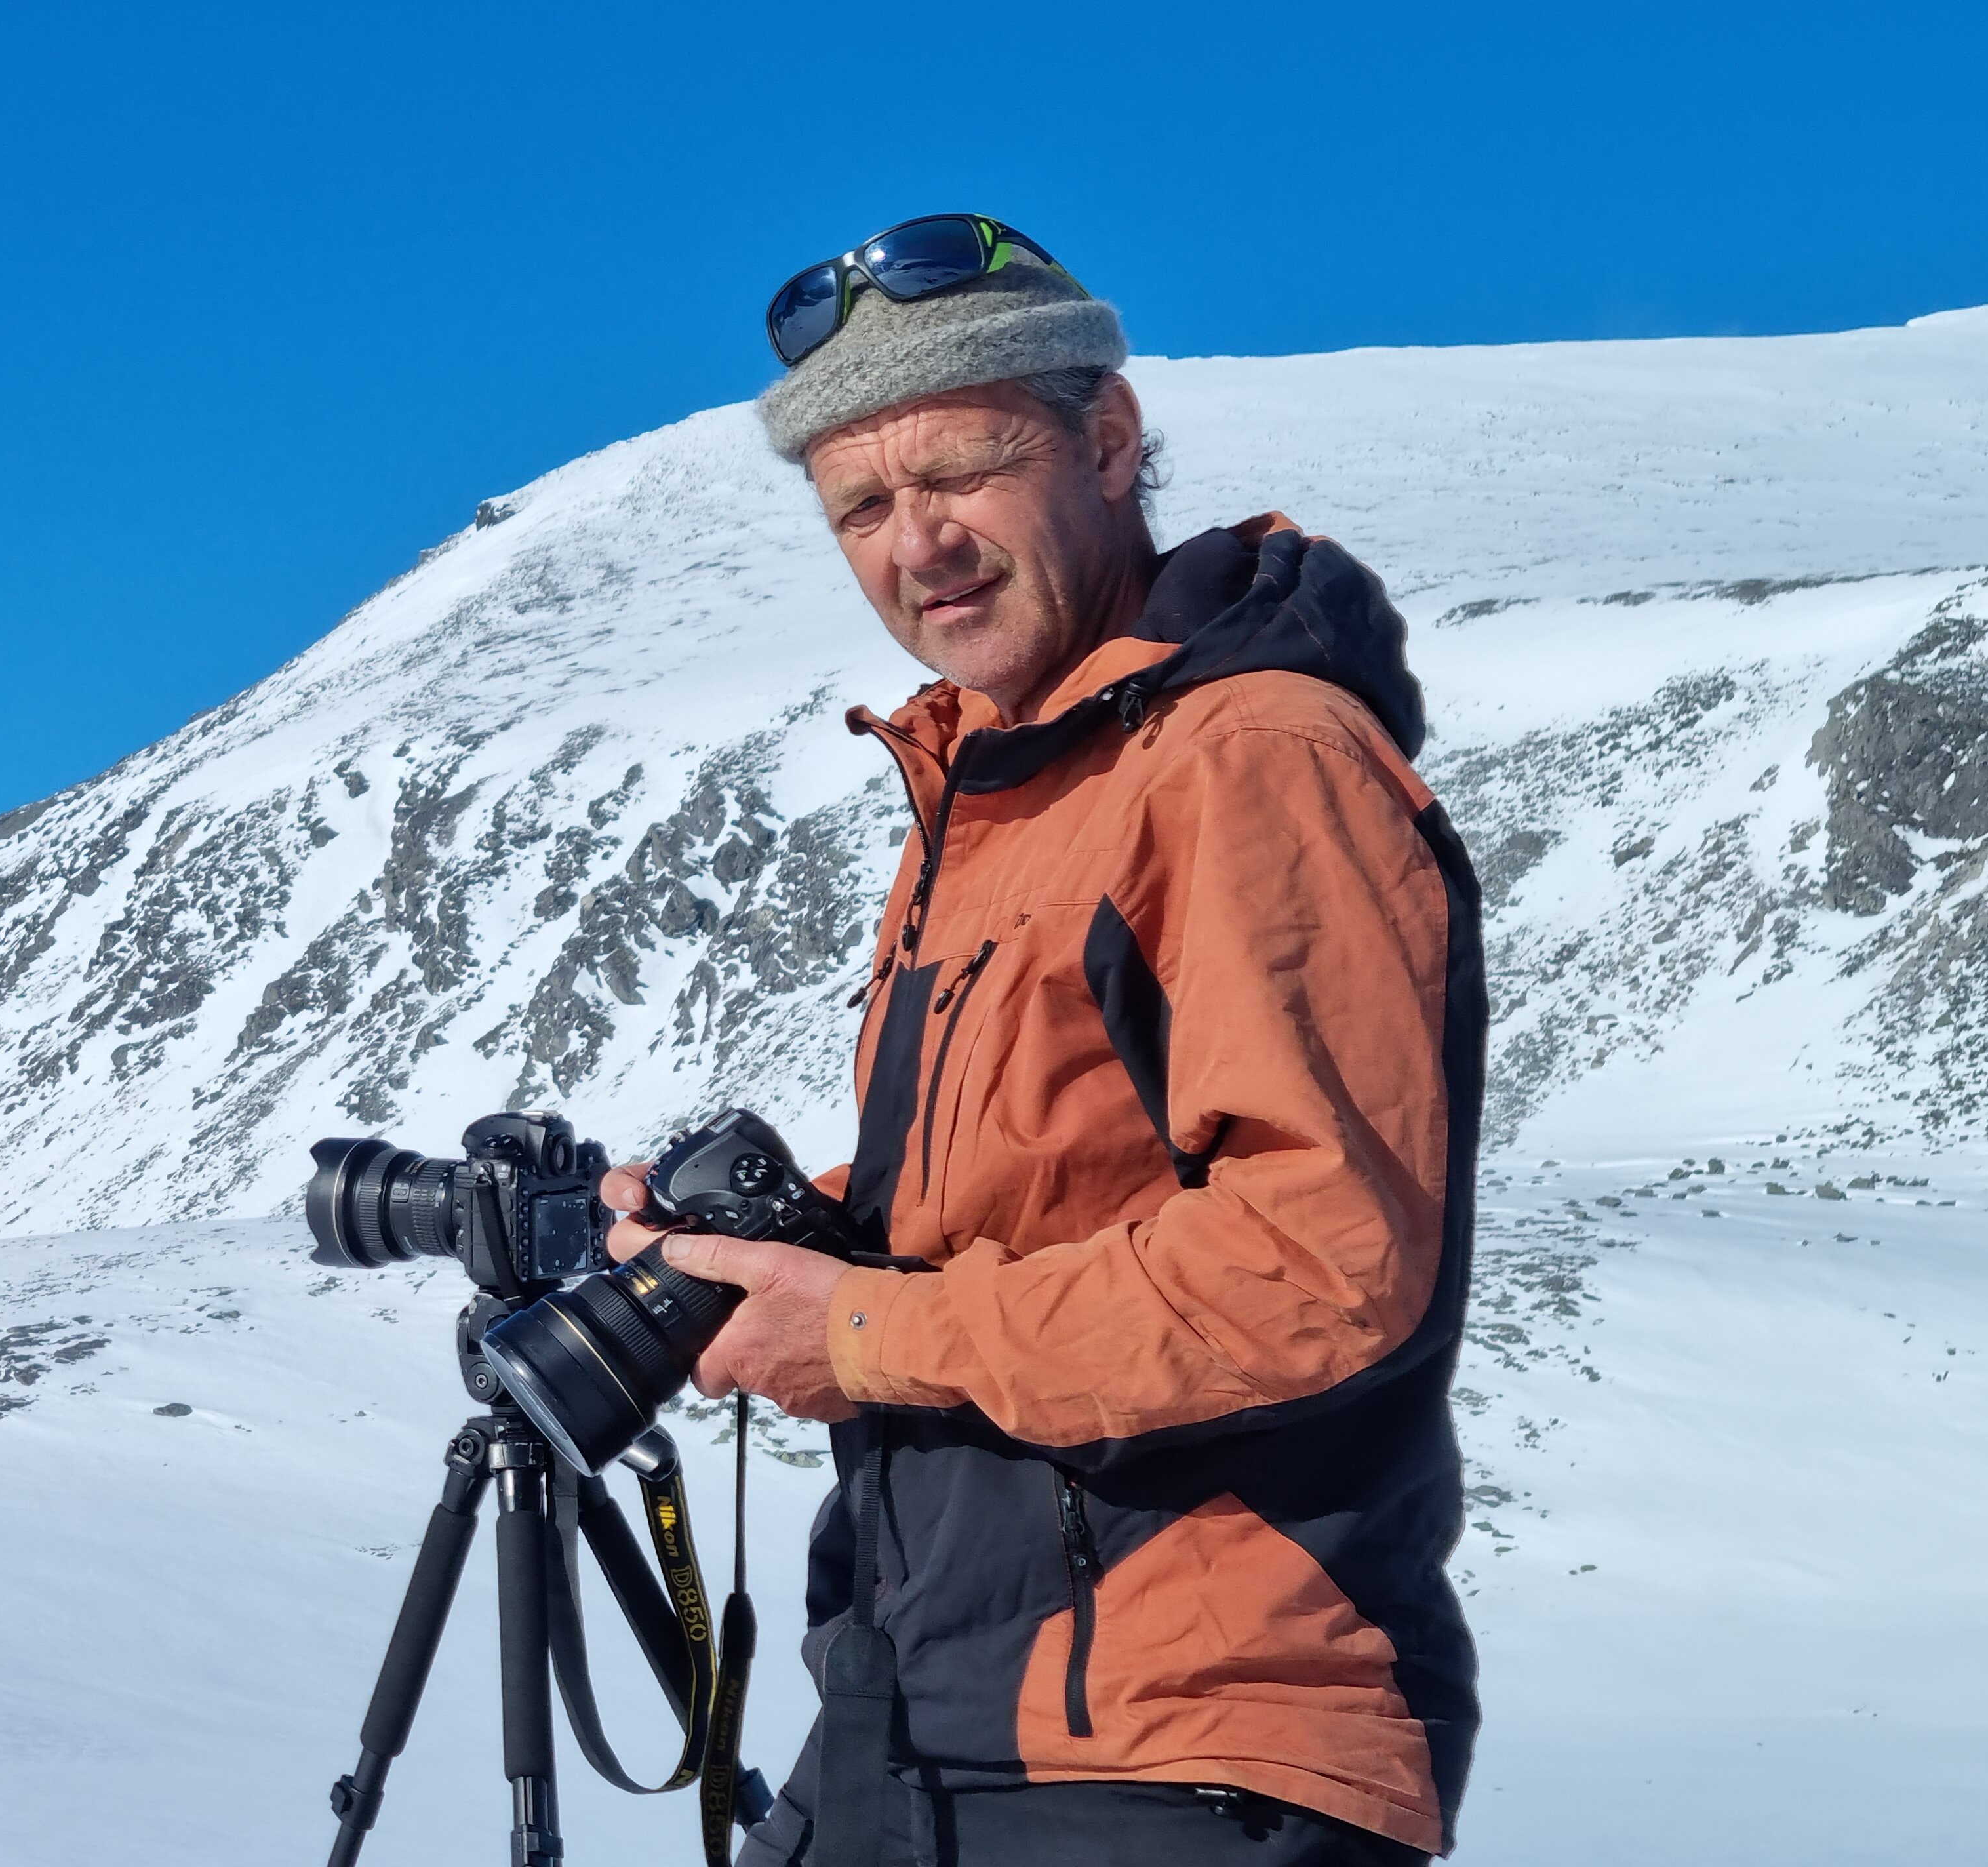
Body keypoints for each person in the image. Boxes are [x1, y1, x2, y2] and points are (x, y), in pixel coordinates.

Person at [608, 215, 1482, 1865]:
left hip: (1172, 1736)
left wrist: (857, 1337)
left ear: (1106, 441)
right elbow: (1044, 1191)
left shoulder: (1248, 756)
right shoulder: (1000, 789)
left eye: (961, 473)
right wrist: (763, 1244)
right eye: (862, 506)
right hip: (932, 1702)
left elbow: (1318, 1260)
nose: (916, 542)